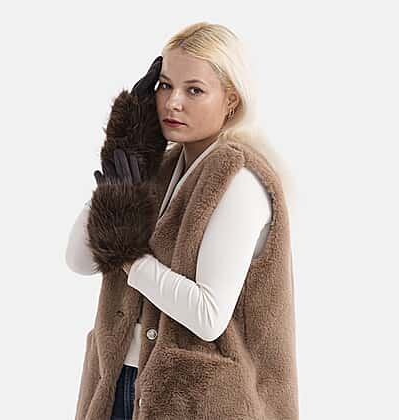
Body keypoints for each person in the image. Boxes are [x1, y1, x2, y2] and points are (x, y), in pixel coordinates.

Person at [67, 21, 299, 420]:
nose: (173, 102)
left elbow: (207, 316)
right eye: (165, 86)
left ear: (230, 99)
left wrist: (126, 253)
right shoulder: (158, 168)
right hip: (119, 382)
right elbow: (79, 261)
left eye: (194, 90)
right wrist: (121, 166)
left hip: (195, 401)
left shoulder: (239, 179)